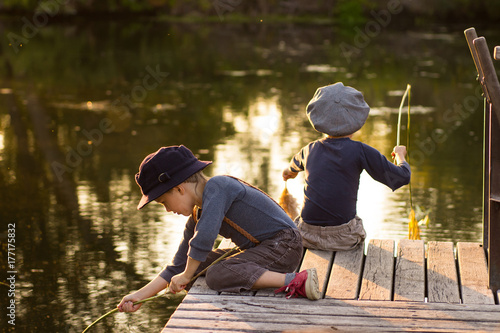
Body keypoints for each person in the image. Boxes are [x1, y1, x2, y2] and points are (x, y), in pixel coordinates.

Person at [118, 145, 320, 313]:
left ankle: (295, 281)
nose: (168, 210)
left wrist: (186, 275)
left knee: (216, 274)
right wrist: (139, 296)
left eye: (164, 202)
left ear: (179, 188)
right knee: (196, 263)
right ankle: (259, 275)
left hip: (284, 245)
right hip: (264, 249)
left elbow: (205, 237)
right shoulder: (198, 213)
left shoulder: (218, 186)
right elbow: (178, 264)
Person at [282, 82, 411, 251]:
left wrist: (288, 173)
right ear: (356, 118)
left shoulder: (308, 150)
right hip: (343, 238)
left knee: (298, 220)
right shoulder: (361, 151)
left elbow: (291, 168)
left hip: (307, 235)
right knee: (356, 222)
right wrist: (400, 155)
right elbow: (402, 177)